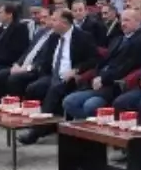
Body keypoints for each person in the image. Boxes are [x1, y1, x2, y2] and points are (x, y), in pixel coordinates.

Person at [19, 9, 99, 145]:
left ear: (64, 22)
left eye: (54, 20)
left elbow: (93, 59)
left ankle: (35, 133)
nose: (51, 23)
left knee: (55, 89)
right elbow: (46, 60)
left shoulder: (83, 37)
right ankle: (40, 124)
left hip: (70, 78)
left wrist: (76, 70)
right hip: (52, 74)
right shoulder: (53, 37)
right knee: (33, 88)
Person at [63, 8, 141, 119]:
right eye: (122, 20)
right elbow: (102, 62)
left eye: (127, 20)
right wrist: (97, 76)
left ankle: (94, 128)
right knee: (69, 101)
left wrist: (103, 79)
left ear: (138, 22)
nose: (123, 24)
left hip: (115, 86)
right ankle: (89, 128)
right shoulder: (117, 39)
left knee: (90, 105)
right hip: (98, 83)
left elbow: (126, 67)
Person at [0, 7, 53, 101]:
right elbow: (27, 51)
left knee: (14, 79)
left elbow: (44, 59)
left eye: (45, 17)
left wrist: (27, 68)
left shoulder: (55, 37)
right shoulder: (40, 32)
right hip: (23, 65)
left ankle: (17, 107)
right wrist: (17, 64)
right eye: (41, 17)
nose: (42, 20)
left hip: (35, 69)